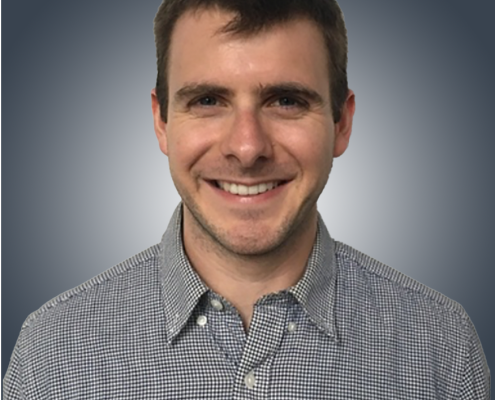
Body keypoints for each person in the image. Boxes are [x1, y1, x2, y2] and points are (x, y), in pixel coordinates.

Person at [3, 0, 490, 398]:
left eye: (286, 101)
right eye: (208, 101)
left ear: (341, 123)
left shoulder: (442, 346)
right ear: (161, 121)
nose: (247, 147)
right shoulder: (51, 353)